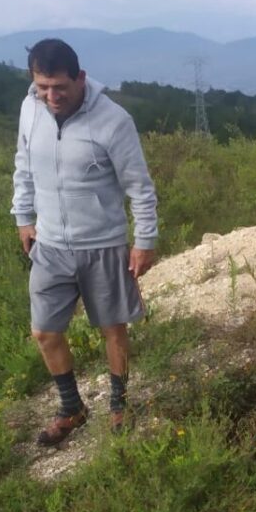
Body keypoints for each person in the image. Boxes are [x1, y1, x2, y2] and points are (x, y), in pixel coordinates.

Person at [11, 38, 159, 445]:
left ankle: (119, 405)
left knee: (113, 328)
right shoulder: (30, 109)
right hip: (50, 244)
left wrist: (144, 240)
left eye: (59, 87)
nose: (51, 96)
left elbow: (139, 187)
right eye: (42, 87)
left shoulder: (114, 120)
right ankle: (71, 408)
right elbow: (24, 164)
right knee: (45, 332)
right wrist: (23, 217)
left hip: (103, 243)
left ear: (80, 78)